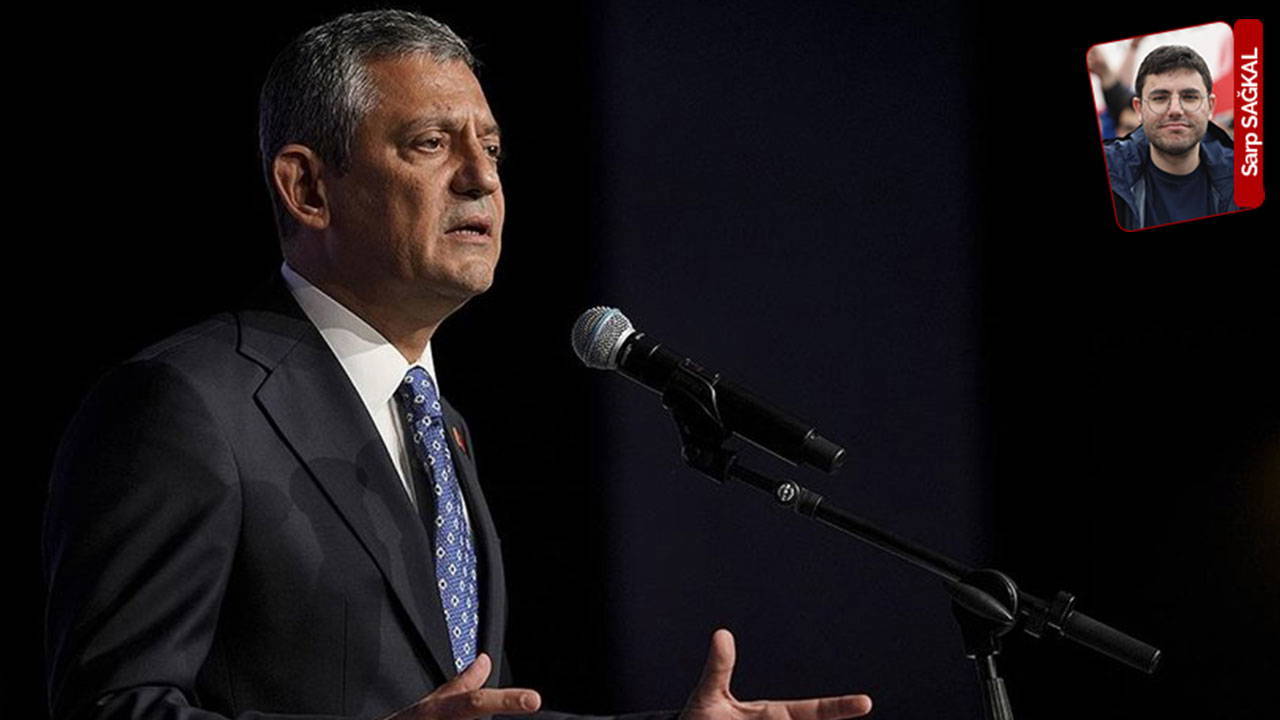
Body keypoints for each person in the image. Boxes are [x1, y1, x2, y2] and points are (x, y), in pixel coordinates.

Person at [43, 10, 875, 720]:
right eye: (431, 144)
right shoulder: (185, 404)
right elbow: (108, 705)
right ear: (308, 189)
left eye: (493, 148)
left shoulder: (439, 426)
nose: (481, 179)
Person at [1103, 44, 1236, 230]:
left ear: (1210, 107)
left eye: (1189, 97)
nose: (1175, 110)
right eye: (1160, 98)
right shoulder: (1111, 168)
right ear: (1139, 109)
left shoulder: (1246, 175)